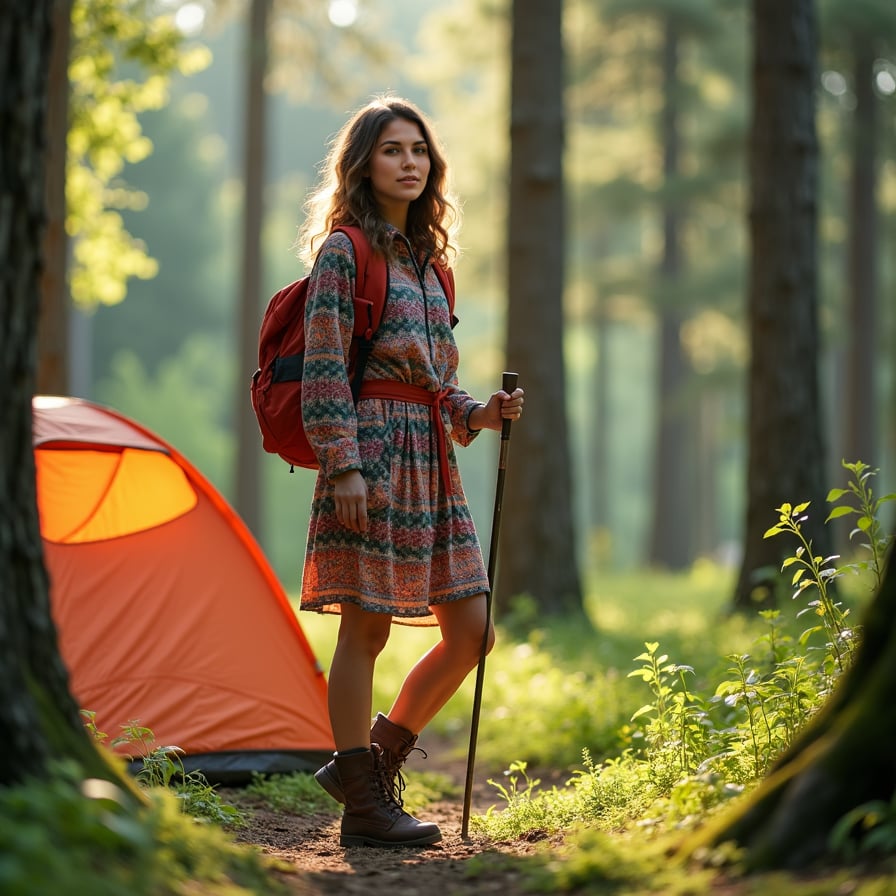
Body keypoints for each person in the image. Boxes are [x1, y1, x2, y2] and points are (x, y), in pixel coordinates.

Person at [295, 95, 524, 848]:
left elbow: (434, 382)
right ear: (364, 163)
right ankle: (363, 803)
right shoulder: (343, 252)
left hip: (432, 458)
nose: (410, 163)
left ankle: (369, 762)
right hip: (371, 456)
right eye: (394, 150)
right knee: (366, 630)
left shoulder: (434, 267)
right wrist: (345, 465)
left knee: (472, 631)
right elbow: (327, 367)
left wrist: (478, 413)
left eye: (419, 151)